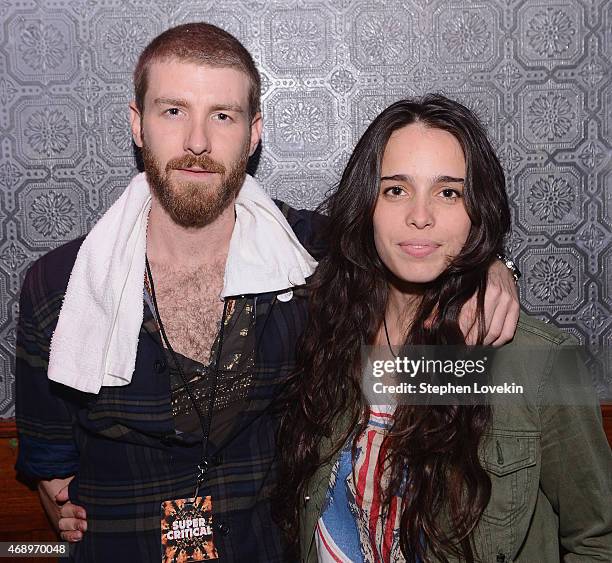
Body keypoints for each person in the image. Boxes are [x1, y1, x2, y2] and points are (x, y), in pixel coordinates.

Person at [15, 24, 520, 562]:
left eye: (223, 115)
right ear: (137, 125)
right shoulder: (59, 286)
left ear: (254, 133)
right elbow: (51, 463)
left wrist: (490, 266)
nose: (197, 142)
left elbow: (417, 240)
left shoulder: (313, 257)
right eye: (172, 111)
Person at [276, 95, 612, 562]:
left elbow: (598, 540)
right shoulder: (322, 337)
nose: (420, 215)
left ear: (478, 210)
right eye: (395, 189)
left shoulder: (538, 363)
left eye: (448, 192)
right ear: (366, 205)